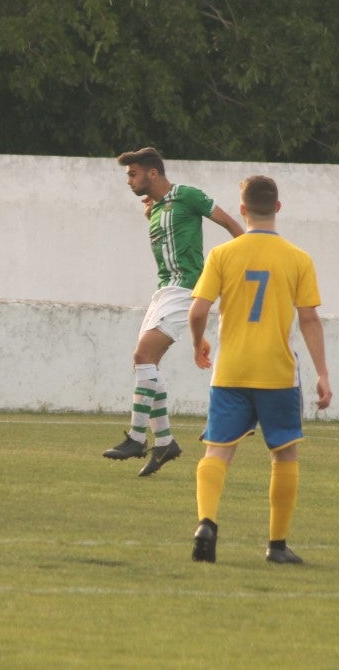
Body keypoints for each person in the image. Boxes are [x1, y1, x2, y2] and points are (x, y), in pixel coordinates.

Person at [187, 175, 330, 563]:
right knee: (284, 455)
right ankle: (277, 546)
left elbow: (197, 309)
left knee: (217, 451)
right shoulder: (298, 259)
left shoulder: (222, 255)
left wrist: (198, 341)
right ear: (278, 208)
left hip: (230, 370)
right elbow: (310, 320)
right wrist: (322, 373)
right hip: (277, 373)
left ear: (243, 210)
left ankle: (206, 522)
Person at [102, 147, 244, 477]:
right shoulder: (152, 209)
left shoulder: (188, 196)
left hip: (187, 290)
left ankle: (138, 438)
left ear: (153, 173)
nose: (129, 181)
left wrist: (247, 264)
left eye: (132, 174)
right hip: (164, 290)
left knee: (143, 355)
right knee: (146, 362)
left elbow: (231, 224)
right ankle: (164, 442)